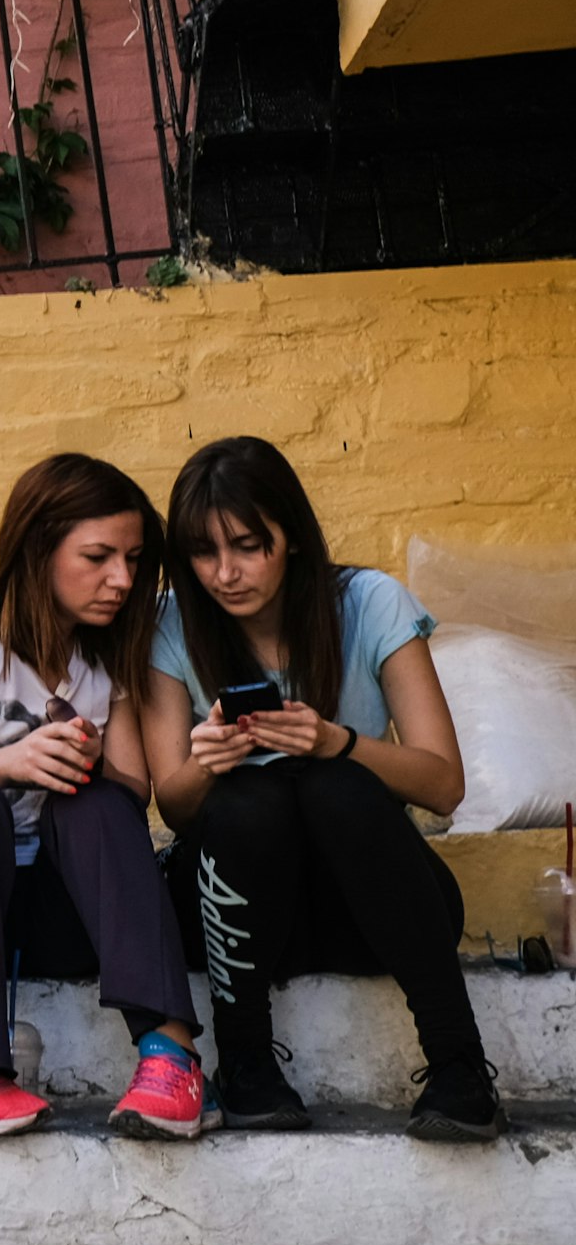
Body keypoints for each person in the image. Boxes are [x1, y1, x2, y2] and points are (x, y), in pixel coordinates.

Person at [141, 437, 495, 1141]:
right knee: (249, 799)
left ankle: (461, 1067)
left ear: (293, 539)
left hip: (362, 909)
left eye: (248, 546)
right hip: (236, 917)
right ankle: (244, 1063)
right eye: (203, 554)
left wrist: (340, 742)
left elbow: (444, 783)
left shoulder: (369, 603)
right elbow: (174, 808)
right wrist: (208, 763)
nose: (225, 573)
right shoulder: (172, 623)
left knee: (339, 785)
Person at [0, 452, 210, 1142]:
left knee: (96, 801)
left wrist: (84, 762)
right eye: (98, 556)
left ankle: (171, 1058)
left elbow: (133, 794)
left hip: (54, 912)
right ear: (37, 548)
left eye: (135, 559)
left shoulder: (107, 656)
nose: (122, 579)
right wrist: (7, 764)